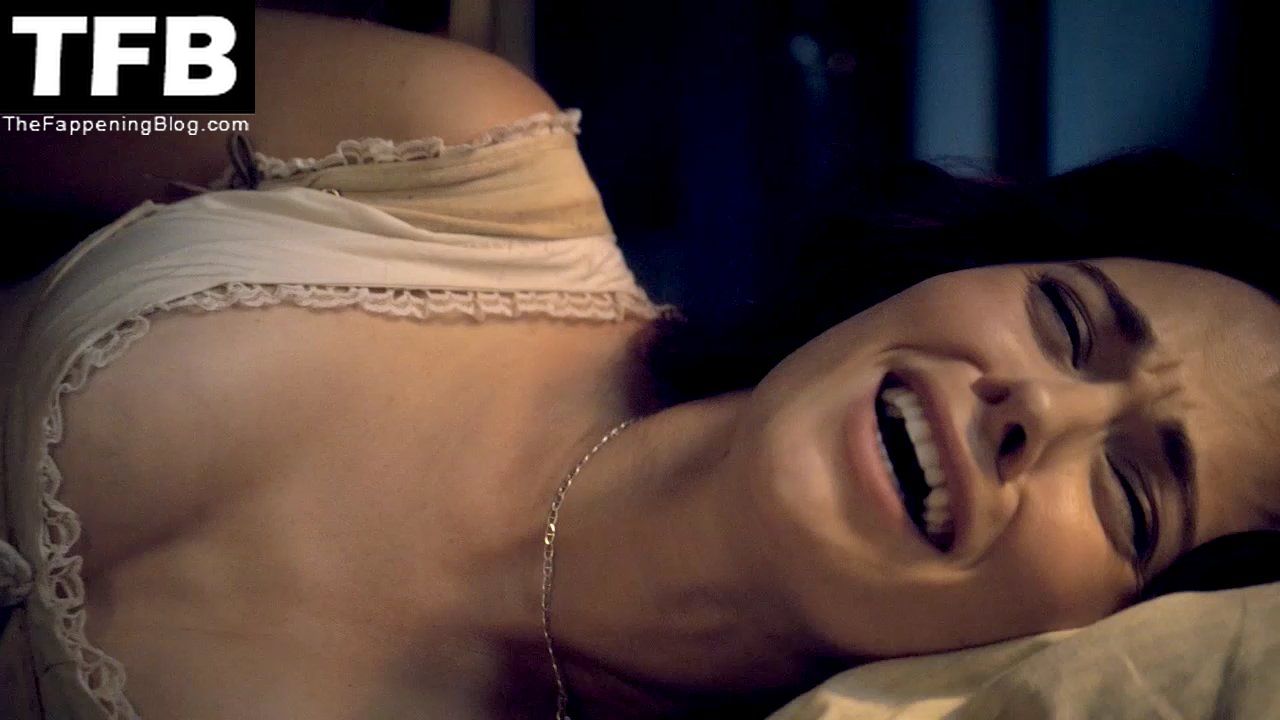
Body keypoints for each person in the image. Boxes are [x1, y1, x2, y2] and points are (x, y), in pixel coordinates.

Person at [2, 9, 1279, 720]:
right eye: (1063, 318)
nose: (1031, 406)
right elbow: (29, 61)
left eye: (1130, 494)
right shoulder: (458, 130)